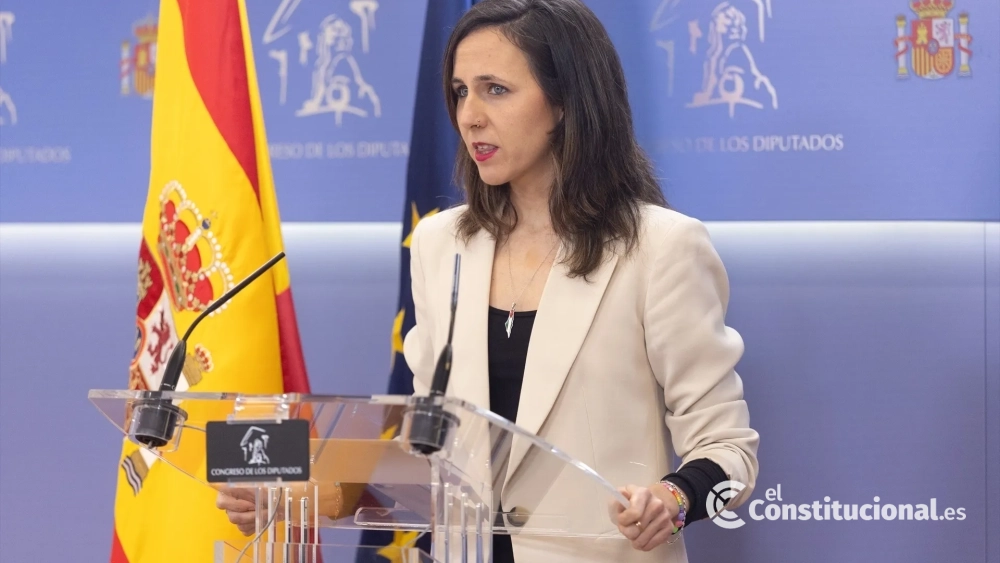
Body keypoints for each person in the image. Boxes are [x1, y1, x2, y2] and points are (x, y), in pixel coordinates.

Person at [219, 1, 759, 561]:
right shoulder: (440, 243)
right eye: (460, 92)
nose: (469, 116)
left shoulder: (660, 248)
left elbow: (729, 452)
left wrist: (673, 499)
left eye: (495, 90)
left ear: (566, 102)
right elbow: (426, 445)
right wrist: (307, 497)